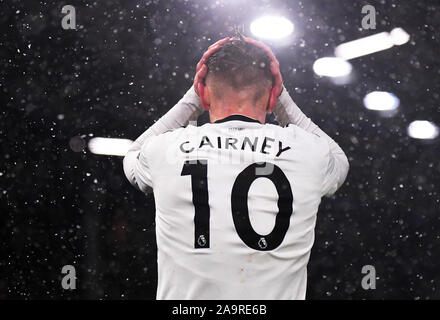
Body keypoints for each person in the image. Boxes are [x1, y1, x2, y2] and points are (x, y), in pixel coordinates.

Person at [123, 36, 349, 300]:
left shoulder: (166, 149)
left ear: (205, 94)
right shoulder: (309, 152)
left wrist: (191, 101)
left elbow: (133, 154)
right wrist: (282, 100)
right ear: (271, 95)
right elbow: (339, 159)